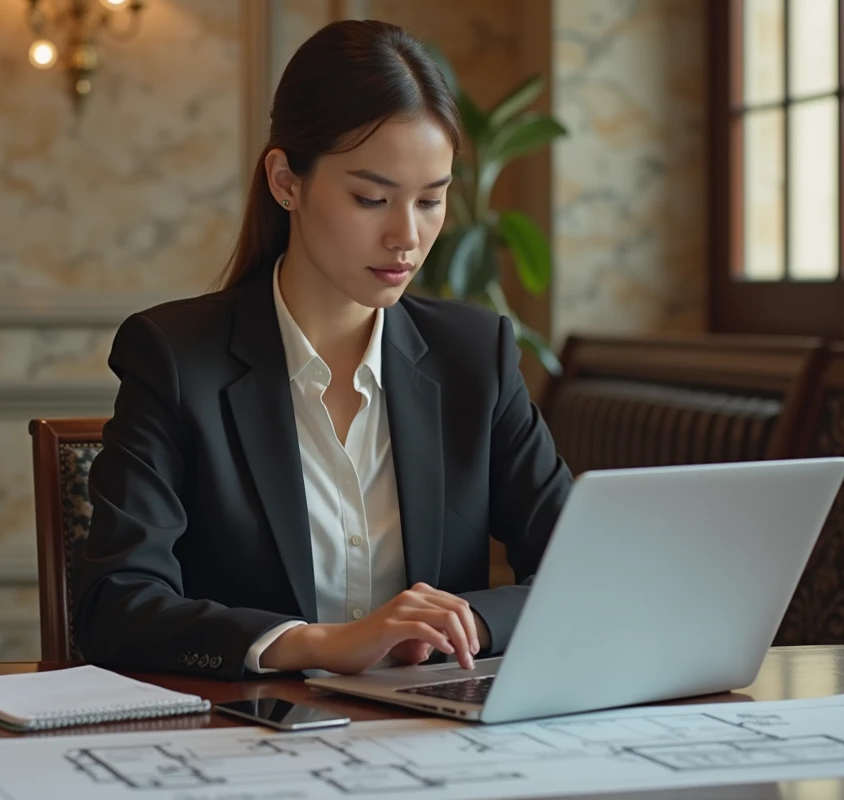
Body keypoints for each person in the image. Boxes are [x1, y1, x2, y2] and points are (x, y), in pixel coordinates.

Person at [71, 19, 573, 680]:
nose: (407, 237)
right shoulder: (174, 357)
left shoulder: (473, 355)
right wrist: (314, 643)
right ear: (287, 181)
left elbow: (582, 571)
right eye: (372, 198)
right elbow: (116, 605)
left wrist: (468, 624)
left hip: (436, 743)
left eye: (431, 201)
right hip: (250, 744)